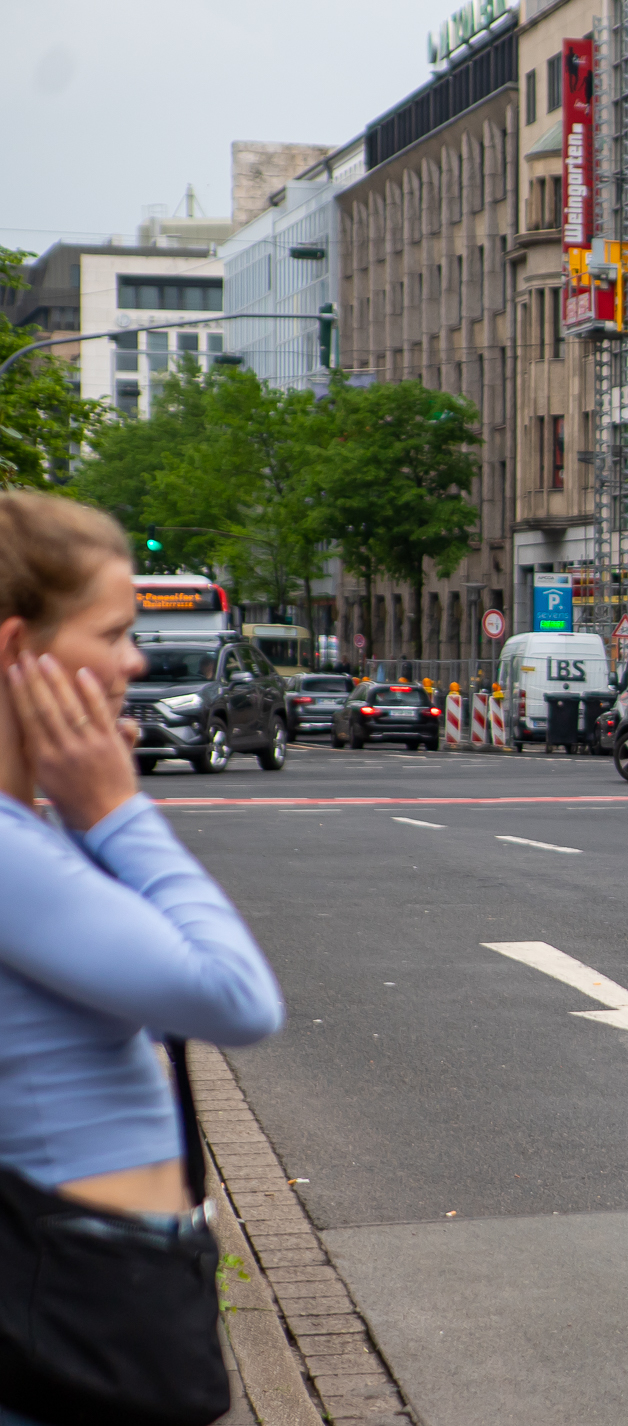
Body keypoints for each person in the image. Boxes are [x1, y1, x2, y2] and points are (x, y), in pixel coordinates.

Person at [0, 492, 285, 1418]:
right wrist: (118, 813)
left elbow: (141, 992)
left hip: (87, 1310)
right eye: (115, 632)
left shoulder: (24, 834)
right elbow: (231, 997)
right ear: (18, 653)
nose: (137, 660)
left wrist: (81, 825)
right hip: (69, 1320)